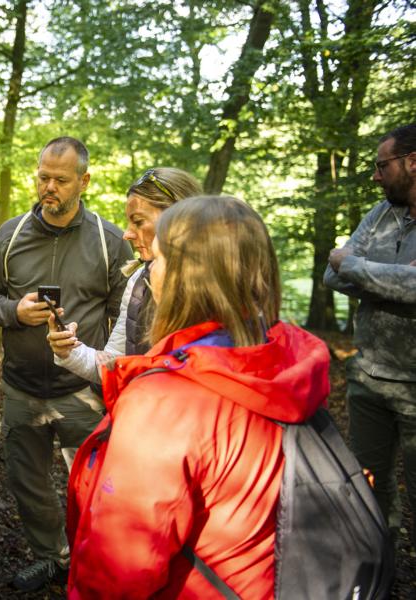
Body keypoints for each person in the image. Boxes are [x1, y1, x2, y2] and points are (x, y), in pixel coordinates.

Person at [67, 195, 330, 597]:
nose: (149, 273)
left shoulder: (165, 403)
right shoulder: (286, 360)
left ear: (183, 276)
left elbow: (118, 570)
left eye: (155, 261)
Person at [0, 137, 134, 592]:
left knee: (100, 486)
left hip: (81, 390)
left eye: (60, 180)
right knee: (29, 485)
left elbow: (128, 313)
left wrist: (96, 354)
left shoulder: (109, 241)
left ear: (84, 181)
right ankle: (52, 559)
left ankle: (98, 562)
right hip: (21, 387)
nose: (49, 187)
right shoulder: (10, 234)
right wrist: (13, 312)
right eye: (43, 176)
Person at [324, 123, 416, 547]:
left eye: (383, 166)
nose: (376, 176)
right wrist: (394, 280)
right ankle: (380, 564)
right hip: (368, 379)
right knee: (368, 486)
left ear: (412, 162)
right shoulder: (380, 215)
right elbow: (331, 273)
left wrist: (357, 268)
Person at [47, 167, 202, 378]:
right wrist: (68, 352)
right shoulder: (139, 281)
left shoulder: (222, 286)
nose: (127, 234)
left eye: (138, 222)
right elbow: (116, 363)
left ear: (179, 219)